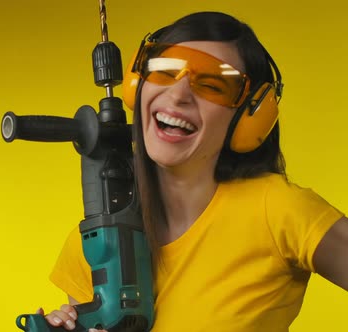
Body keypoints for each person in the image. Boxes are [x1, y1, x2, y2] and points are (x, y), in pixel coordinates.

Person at [36, 11, 348, 332]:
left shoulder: (279, 211)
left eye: (213, 85)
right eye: (164, 70)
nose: (178, 95)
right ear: (136, 85)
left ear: (250, 116)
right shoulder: (96, 242)